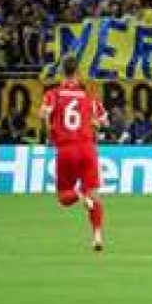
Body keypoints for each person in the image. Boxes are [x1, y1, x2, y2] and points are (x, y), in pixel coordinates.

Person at [39, 55, 108, 251]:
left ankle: (78, 196)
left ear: (62, 73)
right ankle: (97, 236)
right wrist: (94, 124)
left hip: (66, 148)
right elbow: (104, 122)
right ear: (78, 73)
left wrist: (51, 130)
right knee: (94, 195)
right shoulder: (89, 98)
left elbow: (44, 113)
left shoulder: (53, 94)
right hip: (87, 149)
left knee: (63, 197)